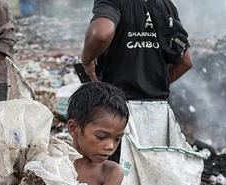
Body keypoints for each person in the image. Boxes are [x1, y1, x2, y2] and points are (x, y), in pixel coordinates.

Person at [82, 0, 193, 161]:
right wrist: (153, 85)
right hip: (158, 114)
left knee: (114, 177)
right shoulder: (166, 5)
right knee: (152, 175)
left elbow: (101, 33)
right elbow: (186, 62)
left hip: (117, 111)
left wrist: (86, 60)